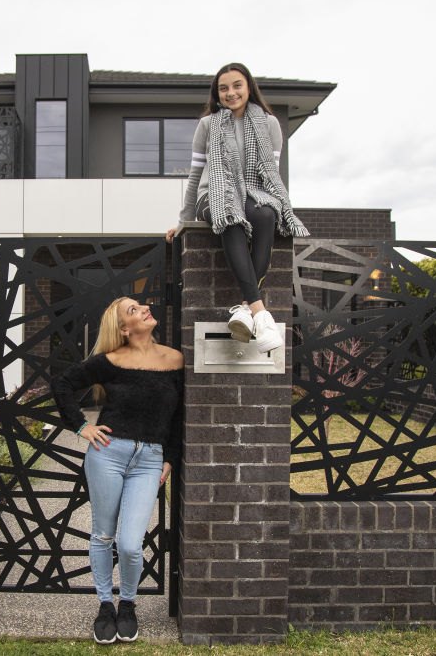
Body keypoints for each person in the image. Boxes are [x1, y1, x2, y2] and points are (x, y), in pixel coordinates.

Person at [51, 296, 183, 644]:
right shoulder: (109, 361)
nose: (145, 308)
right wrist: (81, 427)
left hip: (150, 459)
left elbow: (180, 415)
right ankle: (106, 605)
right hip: (108, 454)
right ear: (125, 328)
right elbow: (62, 383)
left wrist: (170, 457)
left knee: (129, 543)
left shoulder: (175, 359)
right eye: (134, 309)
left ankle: (128, 602)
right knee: (103, 535)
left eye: (141, 305)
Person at [166, 62, 309, 353]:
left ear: (248, 87)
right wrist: (183, 220)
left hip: (254, 193)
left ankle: (245, 309)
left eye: (237, 85)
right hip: (214, 194)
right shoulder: (208, 125)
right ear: (217, 94)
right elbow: (195, 177)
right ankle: (260, 311)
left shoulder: (269, 124)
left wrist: (279, 203)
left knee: (267, 214)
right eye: (224, 88)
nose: (231, 93)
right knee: (229, 213)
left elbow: (272, 173)